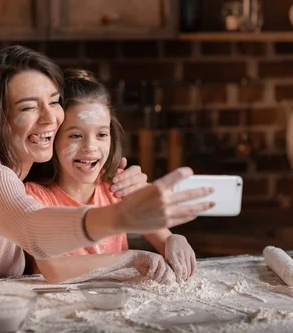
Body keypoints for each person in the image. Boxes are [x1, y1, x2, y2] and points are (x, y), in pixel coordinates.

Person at [0, 45, 214, 282]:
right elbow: (34, 229)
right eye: (28, 107)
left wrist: (133, 195)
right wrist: (122, 221)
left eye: (53, 102)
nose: (51, 119)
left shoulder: (23, 170)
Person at [25, 69, 197, 284]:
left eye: (101, 134)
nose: (90, 147)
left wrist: (174, 239)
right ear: (52, 138)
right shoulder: (34, 197)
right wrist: (130, 258)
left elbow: (164, 237)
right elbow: (55, 270)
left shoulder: (117, 185)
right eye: (75, 135)